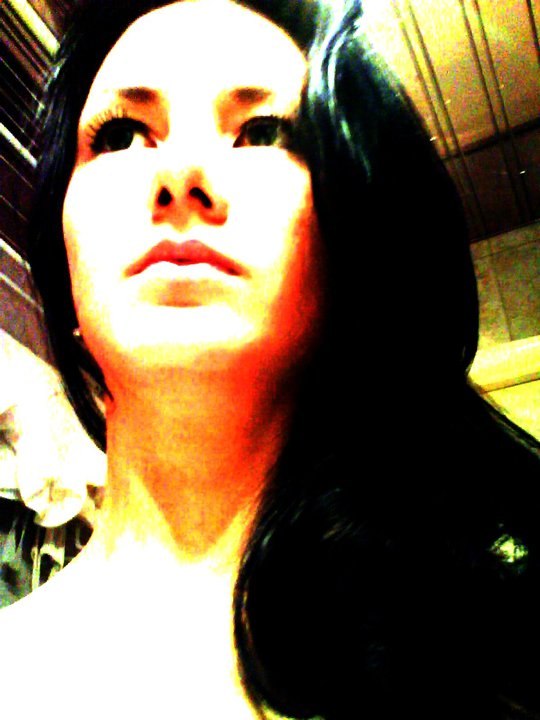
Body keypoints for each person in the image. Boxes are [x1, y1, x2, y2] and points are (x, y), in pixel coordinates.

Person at [11, 0, 540, 717]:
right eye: (122, 136)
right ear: (63, 259)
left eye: (262, 133)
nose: (182, 172)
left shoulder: (500, 654)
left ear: (352, 240)